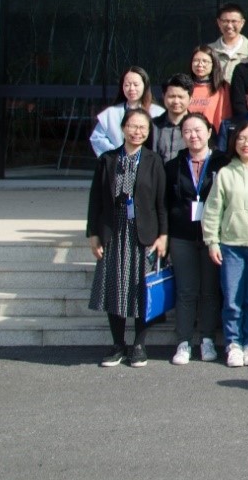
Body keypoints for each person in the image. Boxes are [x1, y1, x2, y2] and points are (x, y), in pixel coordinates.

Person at [86, 108, 168, 368]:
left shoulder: (154, 161)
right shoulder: (107, 159)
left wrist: (163, 235)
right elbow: (95, 200)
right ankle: (118, 344)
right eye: (133, 126)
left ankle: (139, 344)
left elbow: (162, 203)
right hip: (114, 231)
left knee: (142, 290)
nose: (137, 132)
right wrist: (93, 234)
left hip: (143, 234)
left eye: (143, 127)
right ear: (123, 128)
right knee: (115, 289)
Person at [202, 119, 248, 369]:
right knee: (232, 299)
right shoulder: (226, 173)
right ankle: (233, 344)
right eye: (242, 139)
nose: (247, 144)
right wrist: (212, 241)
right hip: (231, 245)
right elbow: (213, 210)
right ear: (234, 142)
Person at [164, 113, 229, 365]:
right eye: (187, 131)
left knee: (210, 290)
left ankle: (207, 339)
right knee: (186, 290)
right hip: (182, 236)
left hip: (213, 237)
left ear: (209, 132)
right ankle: (183, 341)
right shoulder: (173, 166)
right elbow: (165, 204)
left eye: (198, 130)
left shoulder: (223, 163)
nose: (193, 136)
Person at [90, 66, 165, 157]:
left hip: (149, 163)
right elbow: (97, 138)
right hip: (118, 163)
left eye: (136, 85)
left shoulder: (158, 113)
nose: (131, 88)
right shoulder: (111, 113)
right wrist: (115, 154)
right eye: (127, 85)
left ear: (145, 86)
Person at [188, 45, 231, 131]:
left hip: (214, 135)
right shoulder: (185, 86)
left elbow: (227, 116)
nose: (200, 64)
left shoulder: (222, 87)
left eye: (205, 61)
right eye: (196, 60)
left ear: (213, 64)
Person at [151, 74, 192, 163]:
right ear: (163, 96)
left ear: (190, 99)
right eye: (172, 96)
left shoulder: (199, 127)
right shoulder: (152, 126)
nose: (176, 101)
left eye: (181, 97)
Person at [210, 2, 248, 83]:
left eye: (234, 21)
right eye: (225, 21)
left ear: (242, 23)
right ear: (218, 22)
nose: (229, 26)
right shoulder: (209, 51)